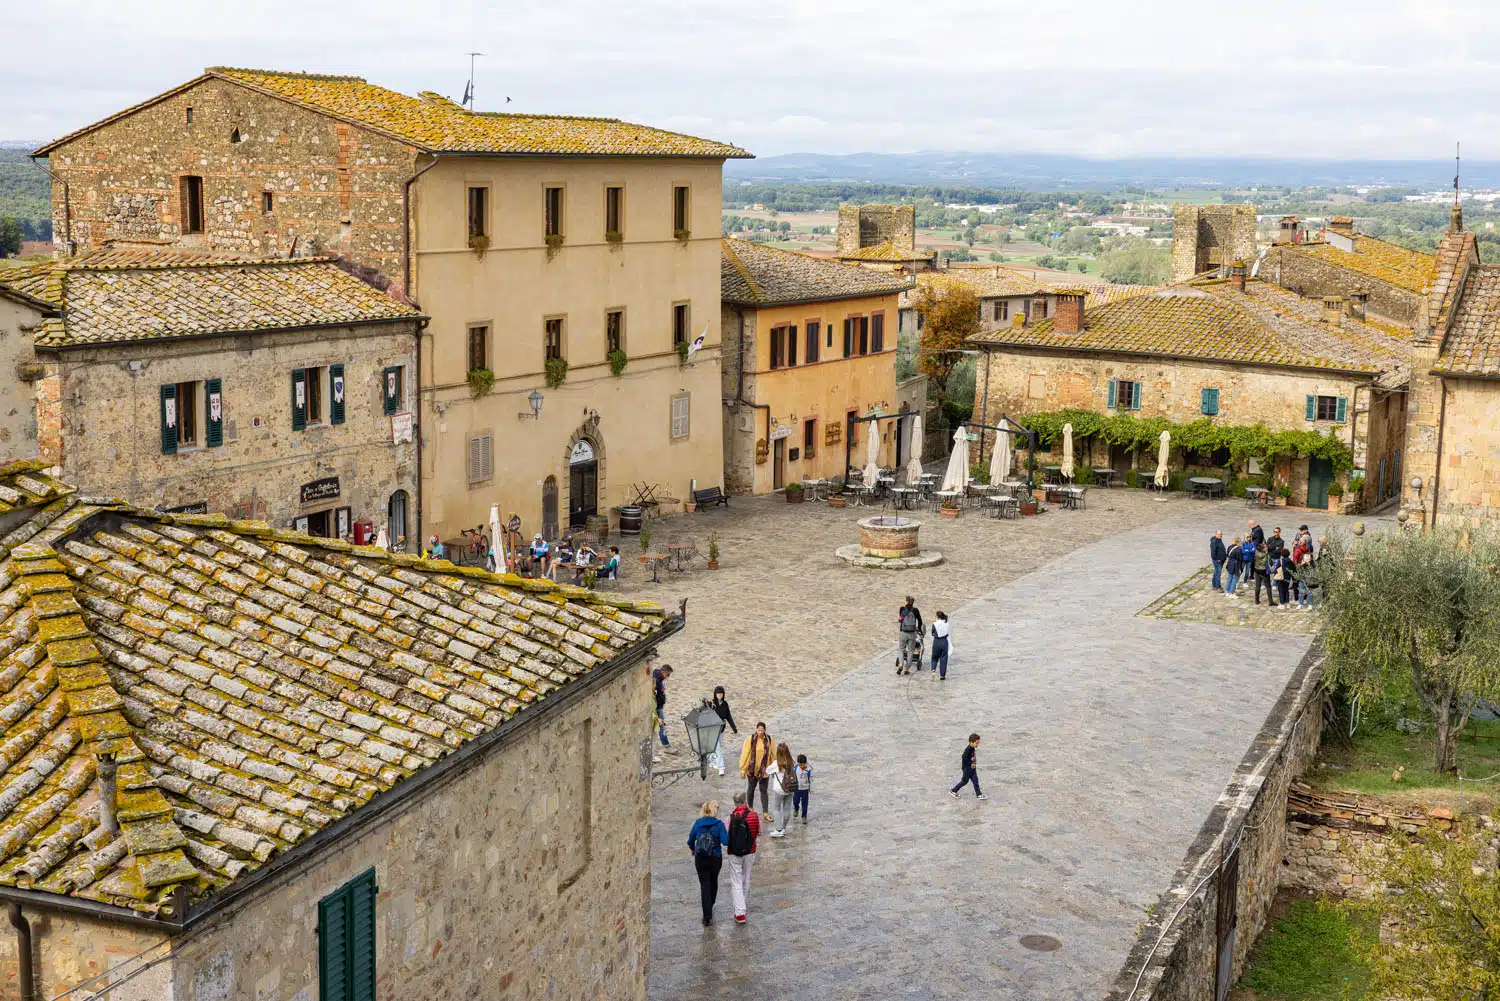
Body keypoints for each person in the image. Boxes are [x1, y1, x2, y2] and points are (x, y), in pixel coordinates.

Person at [687, 800, 727, 926]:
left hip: (701, 858)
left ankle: (706, 916)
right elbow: (726, 841)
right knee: (714, 880)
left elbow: (690, 840)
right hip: (715, 858)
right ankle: (711, 902)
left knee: (704, 885)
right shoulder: (719, 824)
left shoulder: (698, 824)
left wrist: (693, 849)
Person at [725, 792, 759, 923]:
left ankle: (740, 912)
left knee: (736, 881)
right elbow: (759, 832)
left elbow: (727, 837)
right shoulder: (754, 815)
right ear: (745, 801)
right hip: (750, 851)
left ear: (734, 802)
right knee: (746, 878)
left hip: (734, 852)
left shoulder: (729, 818)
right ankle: (741, 905)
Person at [739, 723, 774, 821]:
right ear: (756, 729)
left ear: (765, 730)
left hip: (764, 771)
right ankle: (750, 809)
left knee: (764, 791)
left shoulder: (769, 740)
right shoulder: (750, 739)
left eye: (762, 730)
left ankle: (765, 812)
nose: (760, 732)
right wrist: (742, 768)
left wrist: (774, 767)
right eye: (759, 730)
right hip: (752, 770)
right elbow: (745, 754)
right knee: (751, 789)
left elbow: (773, 754)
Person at [766, 743, 796, 837]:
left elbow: (767, 771)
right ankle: (783, 828)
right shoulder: (792, 762)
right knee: (787, 809)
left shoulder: (776, 764)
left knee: (776, 809)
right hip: (790, 789)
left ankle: (778, 830)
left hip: (779, 789)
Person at [708, 686, 738, 776]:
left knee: (716, 747)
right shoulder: (711, 703)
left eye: (721, 693)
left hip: (721, 729)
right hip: (713, 730)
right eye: (718, 693)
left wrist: (734, 728)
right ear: (715, 693)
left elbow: (728, 716)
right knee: (718, 748)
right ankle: (721, 767)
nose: (719, 695)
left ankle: (712, 762)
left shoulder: (725, 704)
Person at [950, 733, 987, 800]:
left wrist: (973, 764)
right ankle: (953, 791)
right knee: (964, 781)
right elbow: (964, 757)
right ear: (971, 742)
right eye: (976, 743)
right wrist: (971, 763)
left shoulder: (972, 748)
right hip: (967, 769)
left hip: (972, 768)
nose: (978, 744)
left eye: (978, 743)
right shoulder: (968, 749)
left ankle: (978, 794)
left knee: (975, 780)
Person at [897, 596, 924, 675]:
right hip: (912, 633)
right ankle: (907, 668)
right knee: (911, 650)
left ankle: (901, 664)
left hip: (903, 632)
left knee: (901, 649)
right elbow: (920, 621)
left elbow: (900, 620)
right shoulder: (916, 610)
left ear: (906, 602)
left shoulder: (902, 609)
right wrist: (919, 629)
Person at [652, 665, 673, 748]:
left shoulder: (660, 679)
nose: (668, 677)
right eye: (667, 675)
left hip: (659, 706)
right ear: (663, 672)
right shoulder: (657, 681)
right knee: (662, 726)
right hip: (657, 707)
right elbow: (657, 694)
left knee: (659, 727)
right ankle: (667, 746)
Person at [1252, 540, 1276, 607]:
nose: (1267, 548)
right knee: (1268, 586)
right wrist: (1267, 554)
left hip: (1257, 570)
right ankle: (1270, 601)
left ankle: (1256, 600)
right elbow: (1266, 562)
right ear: (1262, 549)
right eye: (1265, 547)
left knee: (1257, 586)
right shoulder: (1266, 555)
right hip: (1264, 571)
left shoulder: (1256, 553)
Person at [930, 611, 951, 680]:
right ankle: (942, 675)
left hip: (937, 641)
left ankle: (933, 669)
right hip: (944, 641)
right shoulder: (946, 623)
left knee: (934, 657)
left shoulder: (935, 624)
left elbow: (932, 632)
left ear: (937, 617)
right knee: (944, 658)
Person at [793, 754, 812, 823]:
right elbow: (792, 777)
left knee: (805, 804)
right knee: (795, 801)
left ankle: (804, 816)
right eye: (799, 764)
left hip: (805, 789)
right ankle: (796, 809)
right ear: (797, 763)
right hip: (797, 789)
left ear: (805, 763)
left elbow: (811, 779)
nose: (801, 766)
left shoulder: (808, 769)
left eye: (802, 765)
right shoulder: (795, 768)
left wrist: (810, 789)